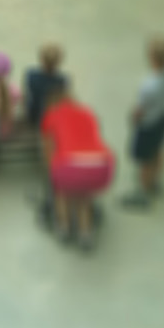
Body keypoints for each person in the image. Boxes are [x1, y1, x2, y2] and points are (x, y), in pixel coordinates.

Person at [40, 85, 115, 251]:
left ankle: (64, 228)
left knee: (61, 192)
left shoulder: (51, 115)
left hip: (70, 164)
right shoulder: (88, 112)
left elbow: (48, 150)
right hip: (102, 164)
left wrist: (53, 171)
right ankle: (85, 234)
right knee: (84, 196)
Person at [121, 38, 164, 210]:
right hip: (163, 118)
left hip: (148, 125)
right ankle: (154, 182)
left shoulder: (149, 85)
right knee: (158, 150)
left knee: (145, 161)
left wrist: (133, 118)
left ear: (152, 57)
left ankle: (142, 195)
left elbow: (140, 110)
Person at [24, 44, 68, 128]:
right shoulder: (62, 81)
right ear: (59, 61)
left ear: (41, 59)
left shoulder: (31, 75)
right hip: (51, 120)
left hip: (34, 116)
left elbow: (27, 95)